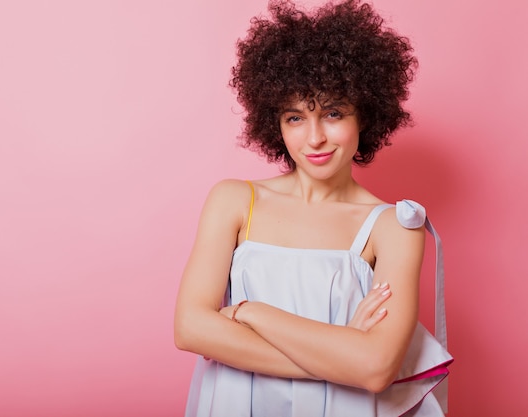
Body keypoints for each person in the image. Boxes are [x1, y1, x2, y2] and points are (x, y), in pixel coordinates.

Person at [174, 0, 452, 416]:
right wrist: (340, 358)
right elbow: (190, 328)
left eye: (333, 113)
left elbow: (375, 369)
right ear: (275, 123)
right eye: (295, 117)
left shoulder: (394, 227)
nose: (315, 138)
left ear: (366, 115)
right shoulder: (234, 200)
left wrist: (252, 313)